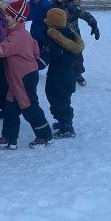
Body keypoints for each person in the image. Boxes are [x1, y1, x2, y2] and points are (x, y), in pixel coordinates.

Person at [0, 0, 53, 149]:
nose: (6, 17)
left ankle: (45, 135)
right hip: (17, 78)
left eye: (9, 16)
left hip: (24, 77)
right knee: (10, 107)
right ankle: (9, 138)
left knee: (29, 106)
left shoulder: (17, 36)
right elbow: (35, 49)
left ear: (17, 18)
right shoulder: (21, 33)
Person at [42, 7, 84, 138]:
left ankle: (66, 127)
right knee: (63, 98)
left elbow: (46, 56)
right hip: (69, 73)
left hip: (59, 74)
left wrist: (34, 63)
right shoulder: (69, 34)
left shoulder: (54, 38)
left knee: (57, 98)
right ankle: (64, 122)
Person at [50, 0, 99, 86]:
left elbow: (86, 15)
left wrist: (94, 25)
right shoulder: (52, 7)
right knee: (59, 56)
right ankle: (59, 73)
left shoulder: (73, 6)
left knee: (77, 56)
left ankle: (78, 74)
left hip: (74, 37)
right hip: (58, 37)